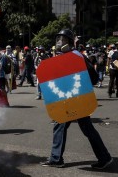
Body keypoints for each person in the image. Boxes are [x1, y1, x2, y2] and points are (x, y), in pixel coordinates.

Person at [41, 29, 113, 169]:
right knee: (63, 125)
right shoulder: (63, 57)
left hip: (76, 99)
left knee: (78, 127)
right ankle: (103, 157)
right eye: (58, 39)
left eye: (63, 39)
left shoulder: (76, 55)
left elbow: (93, 77)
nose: (59, 42)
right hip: (68, 99)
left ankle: (57, 159)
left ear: (69, 41)